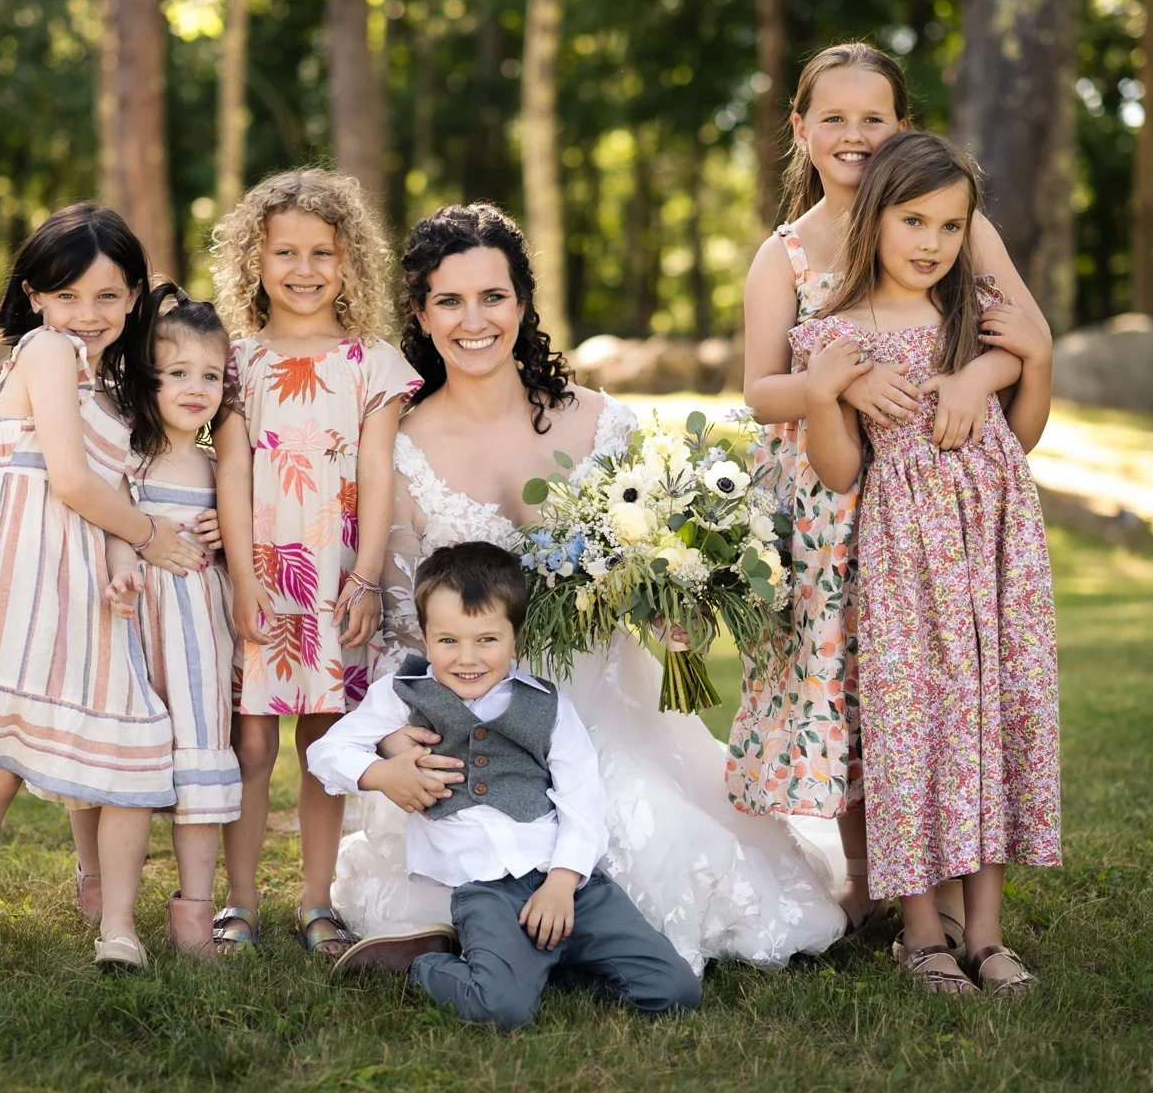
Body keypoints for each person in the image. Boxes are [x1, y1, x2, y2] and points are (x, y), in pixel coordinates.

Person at [331, 203, 846, 974]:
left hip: (605, 706)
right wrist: (397, 735)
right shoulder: (398, 446)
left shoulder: (605, 425)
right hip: (476, 717)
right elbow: (404, 628)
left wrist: (679, 606)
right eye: (450, 300)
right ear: (420, 312)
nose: (475, 321)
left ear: (524, 301)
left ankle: (521, 930)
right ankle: (479, 925)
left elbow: (663, 554)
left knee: (662, 849)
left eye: (493, 297)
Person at [729, 41, 1051, 944]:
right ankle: (873, 881)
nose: (854, 134)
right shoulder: (786, 255)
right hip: (832, 497)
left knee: (934, 678)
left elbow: (1019, 332)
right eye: (832, 117)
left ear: (903, 127)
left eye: (875, 118)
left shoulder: (954, 223)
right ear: (800, 129)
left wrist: (980, 380)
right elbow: (760, 390)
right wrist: (843, 384)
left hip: (935, 496)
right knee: (851, 685)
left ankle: (947, 889)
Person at [0, 204, 208, 980]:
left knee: (130, 743)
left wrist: (121, 554)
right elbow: (71, 481)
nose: (87, 314)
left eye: (107, 297)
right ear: (36, 297)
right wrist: (150, 537)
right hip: (20, 581)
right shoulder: (43, 352)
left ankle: (117, 926)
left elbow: (109, 487)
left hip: (86, 588)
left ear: (137, 296)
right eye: (67, 295)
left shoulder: (113, 383)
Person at [796, 131, 1060, 996]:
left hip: (996, 556)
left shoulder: (976, 317)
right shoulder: (833, 334)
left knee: (986, 724)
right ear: (873, 218)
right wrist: (829, 392)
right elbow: (840, 471)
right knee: (910, 735)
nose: (932, 243)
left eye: (951, 226)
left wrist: (995, 374)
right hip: (905, 562)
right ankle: (921, 933)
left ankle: (985, 934)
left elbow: (1020, 437)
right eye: (914, 220)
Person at [307, 543, 702, 1030]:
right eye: (447, 640)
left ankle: (542, 964)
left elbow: (582, 798)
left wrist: (563, 880)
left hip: (570, 884)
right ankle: (423, 964)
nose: (467, 658)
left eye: (486, 640)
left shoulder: (548, 706)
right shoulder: (400, 695)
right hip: (485, 889)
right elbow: (324, 753)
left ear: (515, 637)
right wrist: (382, 773)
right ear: (424, 636)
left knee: (676, 991)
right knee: (502, 1009)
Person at [211, 169, 423, 956]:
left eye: (323, 253)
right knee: (253, 746)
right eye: (285, 253)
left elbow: (376, 475)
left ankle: (315, 901)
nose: (304, 270)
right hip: (260, 578)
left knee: (326, 743)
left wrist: (365, 577)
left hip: (337, 578)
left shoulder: (374, 362)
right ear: (255, 261)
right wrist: (239, 578)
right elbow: (231, 470)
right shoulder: (236, 362)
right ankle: (238, 903)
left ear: (349, 261)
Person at [100, 281, 243, 958]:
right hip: (136, 623)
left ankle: (194, 918)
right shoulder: (132, 454)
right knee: (126, 771)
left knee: (200, 766)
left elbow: (240, 537)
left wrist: (225, 529)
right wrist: (124, 556)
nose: (196, 387)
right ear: (147, 379)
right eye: (177, 372)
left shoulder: (220, 466)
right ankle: (113, 914)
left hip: (197, 636)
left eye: (210, 374)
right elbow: (109, 517)